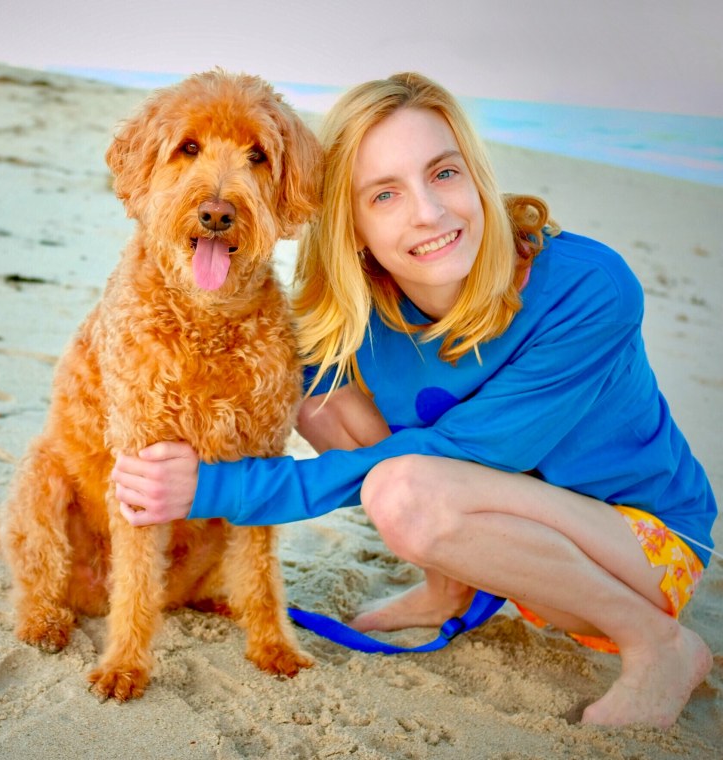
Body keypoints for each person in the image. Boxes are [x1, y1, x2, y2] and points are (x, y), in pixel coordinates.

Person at [111, 72, 717, 728]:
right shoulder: (357, 304)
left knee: (406, 491)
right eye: (385, 194)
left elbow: (464, 455)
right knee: (316, 392)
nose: (427, 213)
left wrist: (214, 489)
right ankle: (451, 583)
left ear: (477, 173)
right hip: (511, 543)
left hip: (638, 556)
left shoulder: (590, 289)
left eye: (445, 174)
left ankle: (658, 646)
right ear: (351, 218)